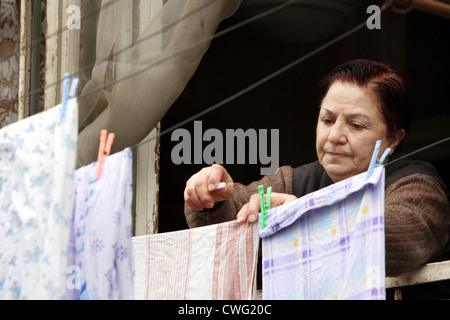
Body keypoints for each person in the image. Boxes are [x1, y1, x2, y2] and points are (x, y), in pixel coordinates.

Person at [183, 59, 450, 298]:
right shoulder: (295, 180)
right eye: (327, 120)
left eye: (356, 125)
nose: (335, 136)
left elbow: (396, 238)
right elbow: (232, 214)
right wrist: (210, 196)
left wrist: (301, 216)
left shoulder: (417, 186)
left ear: (394, 138)